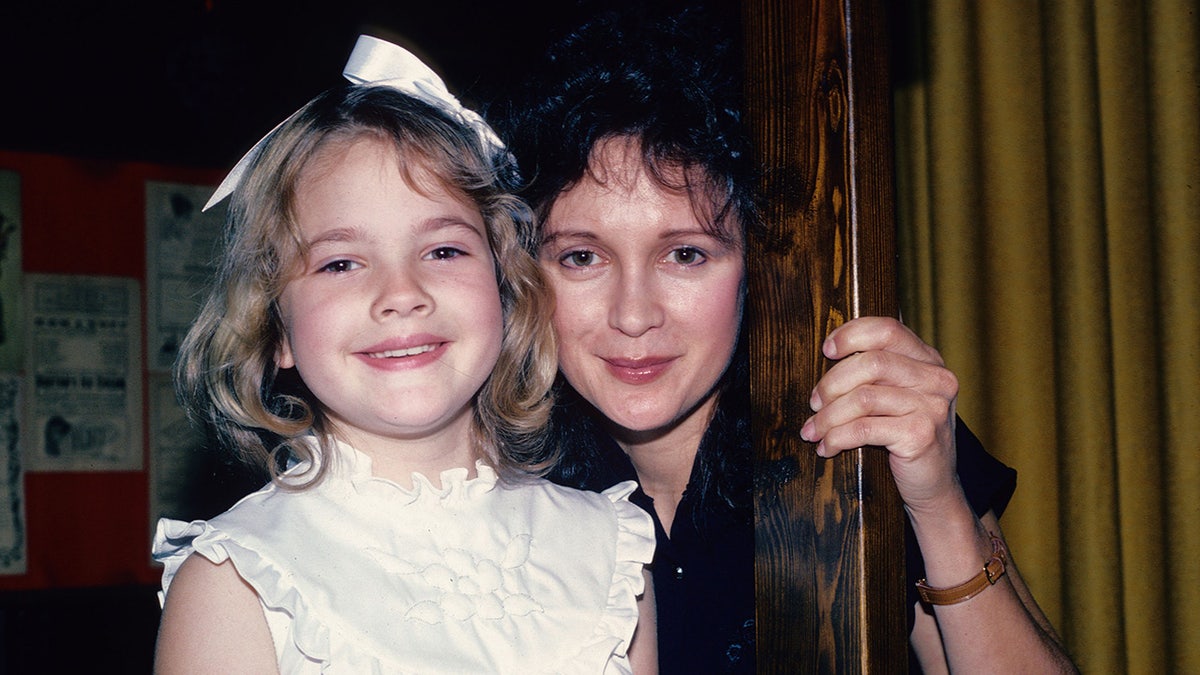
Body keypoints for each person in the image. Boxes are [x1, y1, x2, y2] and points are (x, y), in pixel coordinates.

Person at [495, 8, 1077, 673]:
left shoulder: (855, 413)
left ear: (757, 267)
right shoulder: (501, 473)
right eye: (581, 258)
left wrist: (939, 505)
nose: (633, 315)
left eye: (685, 254)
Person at [151, 35, 657, 674]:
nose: (401, 295)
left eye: (443, 251)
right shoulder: (238, 580)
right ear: (273, 327)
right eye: (340, 263)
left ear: (507, 289)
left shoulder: (613, 549)